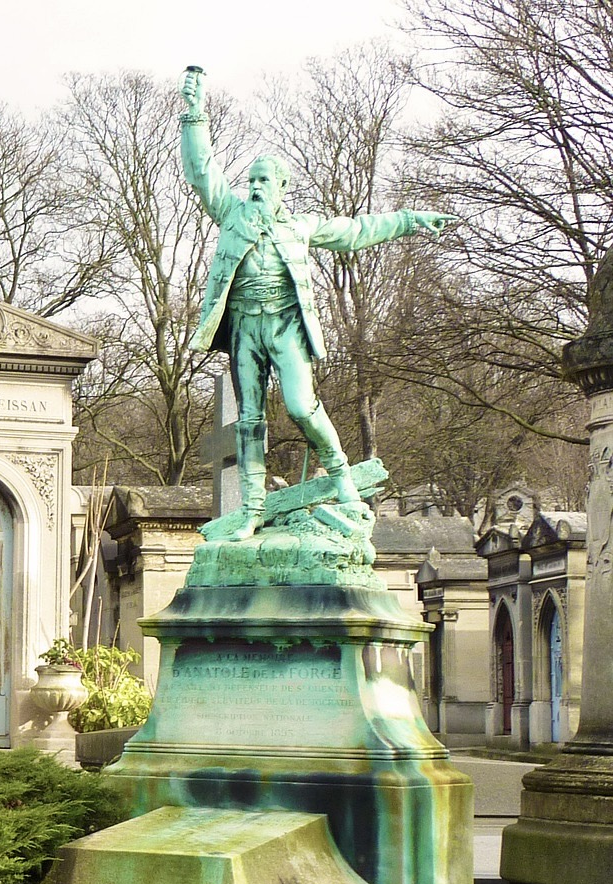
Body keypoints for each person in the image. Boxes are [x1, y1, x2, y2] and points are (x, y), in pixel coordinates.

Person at [180, 67, 454, 541]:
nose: (256, 186)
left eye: (265, 180)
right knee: (248, 419)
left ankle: (340, 473)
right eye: (252, 180)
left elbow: (356, 232)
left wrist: (410, 219)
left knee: (302, 407)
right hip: (245, 326)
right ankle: (251, 507)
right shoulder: (232, 212)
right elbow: (201, 169)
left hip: (286, 326)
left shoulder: (300, 226)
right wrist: (194, 115)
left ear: (283, 186)